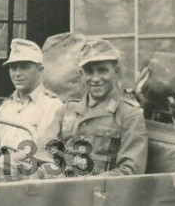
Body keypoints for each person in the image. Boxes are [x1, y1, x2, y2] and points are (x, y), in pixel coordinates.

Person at [60, 38, 148, 176]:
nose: (95, 78)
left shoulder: (129, 115)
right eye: (90, 72)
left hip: (101, 193)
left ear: (116, 72)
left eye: (102, 71)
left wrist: (84, 184)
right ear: (82, 73)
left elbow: (130, 171)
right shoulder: (69, 108)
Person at [0, 38, 64, 167]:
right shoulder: (6, 106)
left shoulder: (52, 106)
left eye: (24, 67)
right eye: (13, 68)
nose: (17, 74)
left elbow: (38, 151)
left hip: (32, 175)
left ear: (40, 70)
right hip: (1, 171)